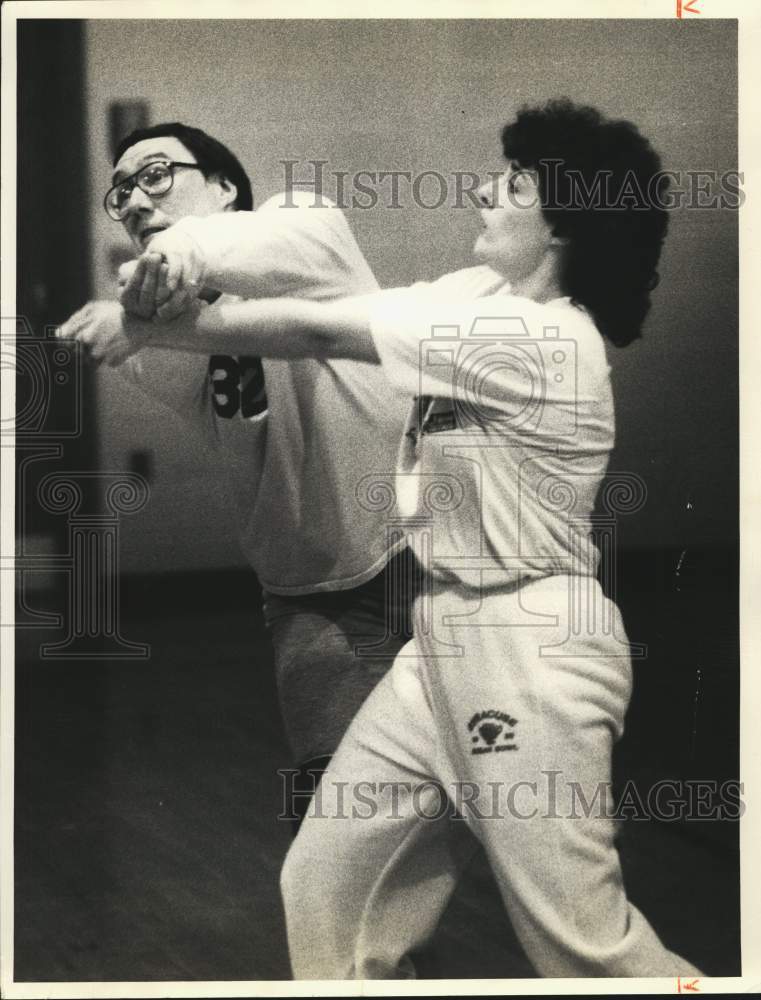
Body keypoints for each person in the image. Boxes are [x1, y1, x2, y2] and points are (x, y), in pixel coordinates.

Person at [60, 100, 703, 977]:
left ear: (563, 222)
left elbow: (321, 327)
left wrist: (141, 315)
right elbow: (333, 316)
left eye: (512, 184)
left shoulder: (537, 335)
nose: (483, 191)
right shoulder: (475, 294)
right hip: (439, 639)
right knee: (327, 887)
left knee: (583, 945)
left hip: (528, 647)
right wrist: (153, 310)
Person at [60, 122, 424, 826]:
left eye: (156, 174)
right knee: (333, 826)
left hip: (425, 562)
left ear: (225, 187)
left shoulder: (306, 228)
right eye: (121, 192)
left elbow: (245, 253)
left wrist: (166, 270)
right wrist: (149, 310)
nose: (134, 200)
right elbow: (180, 334)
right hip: (307, 598)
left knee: (498, 806)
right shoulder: (151, 335)